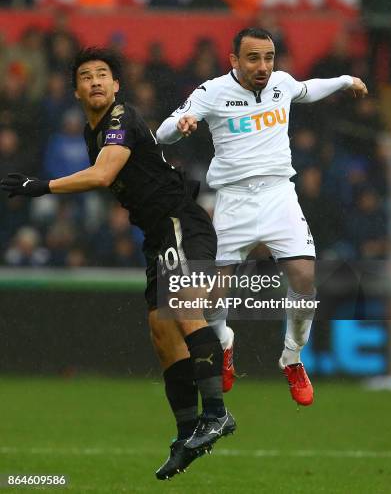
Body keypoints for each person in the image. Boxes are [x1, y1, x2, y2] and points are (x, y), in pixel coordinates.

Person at [0, 47, 236, 480]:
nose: (95, 81)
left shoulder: (120, 119)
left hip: (179, 222)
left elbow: (104, 175)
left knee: (184, 309)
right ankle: (187, 434)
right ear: (75, 91)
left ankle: (217, 413)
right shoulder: (95, 133)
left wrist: (42, 185)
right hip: (157, 235)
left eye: (102, 75)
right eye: (86, 76)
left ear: (116, 85)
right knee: (162, 333)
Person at [157, 27, 368, 407]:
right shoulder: (212, 91)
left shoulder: (281, 84)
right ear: (234, 60)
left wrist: (345, 80)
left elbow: (308, 88)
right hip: (233, 200)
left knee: (304, 276)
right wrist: (182, 126)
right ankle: (224, 342)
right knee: (213, 295)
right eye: (253, 58)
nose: (263, 66)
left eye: (268, 58)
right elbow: (164, 130)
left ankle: (292, 357)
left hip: (278, 195)